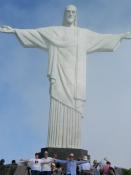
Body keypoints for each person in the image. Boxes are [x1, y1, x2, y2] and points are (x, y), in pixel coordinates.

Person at [1, 5, 131, 149]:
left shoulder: (84, 35)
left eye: (73, 12)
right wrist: (14, 31)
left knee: (75, 108)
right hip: (59, 75)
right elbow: (36, 34)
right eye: (68, 11)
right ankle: (54, 143)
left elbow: (101, 38)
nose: (70, 14)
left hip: (76, 80)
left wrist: (121, 36)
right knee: (57, 105)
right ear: (64, 14)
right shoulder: (54, 32)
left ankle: (73, 144)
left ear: (76, 16)